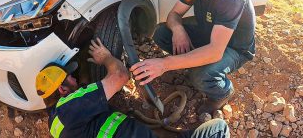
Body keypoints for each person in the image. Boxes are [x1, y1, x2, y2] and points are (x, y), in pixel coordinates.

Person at [130, 0, 256, 115]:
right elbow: (173, 16)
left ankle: (223, 92)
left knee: (199, 75)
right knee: (162, 32)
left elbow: (215, 52)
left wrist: (165, 64)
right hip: (210, 36)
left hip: (233, 49)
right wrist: (178, 30)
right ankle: (195, 60)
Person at [36, 38, 230, 138]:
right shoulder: (70, 105)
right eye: (70, 78)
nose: (75, 79)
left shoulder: (55, 126)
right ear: (62, 90)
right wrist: (106, 58)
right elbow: (120, 76)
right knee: (218, 128)